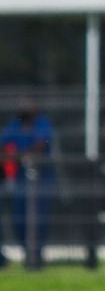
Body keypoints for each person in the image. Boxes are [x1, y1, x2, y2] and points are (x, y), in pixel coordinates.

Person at [0, 98, 56, 269]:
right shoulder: (15, 125)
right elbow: (3, 144)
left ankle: (37, 255)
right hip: (22, 178)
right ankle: (27, 252)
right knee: (19, 217)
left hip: (42, 177)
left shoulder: (42, 123)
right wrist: (17, 157)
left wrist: (21, 155)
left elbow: (41, 145)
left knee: (40, 218)